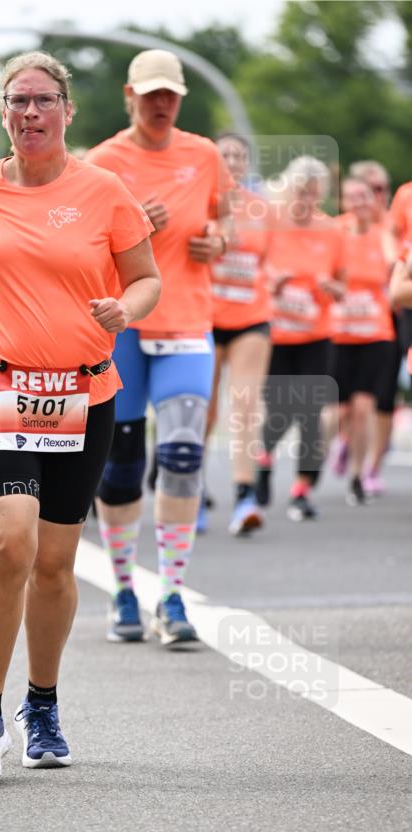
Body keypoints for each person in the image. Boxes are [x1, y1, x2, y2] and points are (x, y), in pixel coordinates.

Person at [0, 51, 159, 779]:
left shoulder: (104, 191)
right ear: (2, 111)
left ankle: (40, 704)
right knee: (8, 546)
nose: (29, 113)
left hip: (83, 395)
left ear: (68, 111)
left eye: (43, 100)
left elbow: (145, 277)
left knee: (54, 564)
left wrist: (125, 309)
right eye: (17, 101)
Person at [85, 49, 232, 645]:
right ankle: (124, 589)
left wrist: (218, 240)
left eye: (170, 93)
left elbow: (225, 221)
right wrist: (128, 232)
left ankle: (171, 595)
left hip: (187, 323)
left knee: (181, 455)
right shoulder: (102, 164)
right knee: (120, 466)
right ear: (130, 97)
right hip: (122, 328)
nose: (162, 104)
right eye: (150, 95)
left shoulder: (204, 155)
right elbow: (79, 253)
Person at [255, 156, 345, 521]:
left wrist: (333, 288)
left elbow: (344, 284)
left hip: (315, 334)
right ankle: (263, 460)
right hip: (273, 334)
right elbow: (251, 270)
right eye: (300, 193)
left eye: (313, 195)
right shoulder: (270, 224)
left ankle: (302, 490)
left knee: (310, 412)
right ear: (288, 190)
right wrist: (271, 283)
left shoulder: (332, 230)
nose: (306, 202)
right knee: (281, 410)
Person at [207, 132, 271, 536]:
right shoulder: (199, 202)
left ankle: (244, 494)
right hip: (206, 318)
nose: (232, 161)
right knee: (204, 409)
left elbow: (272, 259)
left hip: (252, 316)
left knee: (245, 407)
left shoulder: (264, 209)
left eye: (238, 156)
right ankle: (191, 489)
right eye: (224, 155)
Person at [329, 177, 396, 504]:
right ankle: (336, 447)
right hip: (339, 333)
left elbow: (395, 268)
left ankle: (358, 474)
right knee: (338, 411)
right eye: (351, 197)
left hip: (376, 332)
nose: (358, 202)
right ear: (342, 202)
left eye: (364, 196)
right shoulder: (333, 232)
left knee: (364, 406)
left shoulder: (384, 236)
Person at [348, 161, 401, 494]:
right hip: (350, 326)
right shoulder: (344, 228)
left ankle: (373, 464)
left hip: (394, 317)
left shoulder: (393, 224)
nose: (373, 197)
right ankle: (351, 442)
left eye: (380, 189)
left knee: (382, 397)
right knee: (346, 405)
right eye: (368, 190)